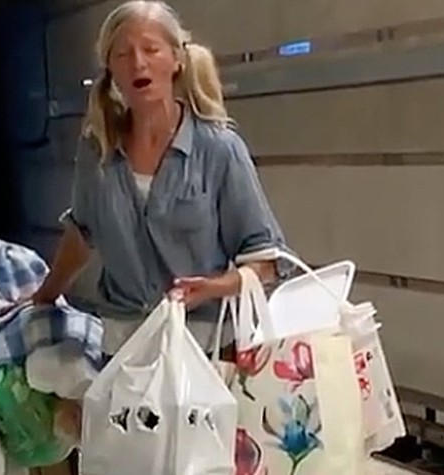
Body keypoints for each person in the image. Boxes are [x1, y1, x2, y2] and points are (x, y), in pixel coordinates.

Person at [29, 0, 291, 359]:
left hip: (205, 348)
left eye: (151, 49)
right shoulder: (98, 149)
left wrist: (212, 288)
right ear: (111, 69)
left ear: (176, 59)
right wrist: (41, 298)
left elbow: (267, 260)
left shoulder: (218, 149)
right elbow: (81, 234)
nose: (138, 63)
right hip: (125, 347)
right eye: (123, 54)